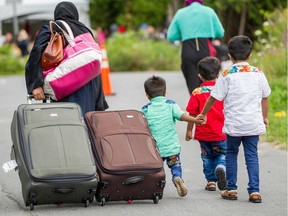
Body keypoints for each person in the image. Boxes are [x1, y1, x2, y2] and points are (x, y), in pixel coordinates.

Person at [198, 35, 271, 203]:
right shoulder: (258, 73)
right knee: (252, 156)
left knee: (231, 154)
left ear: (229, 56)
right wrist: (264, 117)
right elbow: (265, 97)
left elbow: (213, 97)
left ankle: (231, 189)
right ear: (250, 55)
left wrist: (204, 113)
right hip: (253, 123)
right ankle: (255, 191)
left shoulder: (226, 74)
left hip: (234, 125)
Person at [25, 1, 108, 115]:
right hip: (90, 88)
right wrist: (100, 101)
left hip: (67, 86)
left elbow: (36, 54)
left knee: (66, 124)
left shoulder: (52, 27)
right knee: (87, 125)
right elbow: (93, 62)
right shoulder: (86, 31)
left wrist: (35, 84)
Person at [141, 75, 203, 197]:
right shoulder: (170, 104)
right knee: (175, 164)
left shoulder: (145, 109)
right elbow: (182, 116)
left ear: (147, 95)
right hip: (171, 147)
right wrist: (195, 120)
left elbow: (139, 126)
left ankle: (157, 187)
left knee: (157, 169)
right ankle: (177, 177)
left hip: (154, 149)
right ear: (165, 92)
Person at [185, 57, 227, 192]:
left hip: (203, 133)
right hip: (221, 132)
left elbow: (191, 114)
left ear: (200, 76)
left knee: (207, 157)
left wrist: (189, 131)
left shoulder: (197, 92)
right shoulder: (223, 91)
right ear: (218, 74)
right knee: (222, 154)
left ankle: (210, 182)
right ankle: (221, 166)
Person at [167, 0, 224, 94]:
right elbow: (220, 32)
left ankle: (195, 106)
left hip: (187, 48)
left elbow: (171, 35)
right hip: (206, 48)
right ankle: (208, 106)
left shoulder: (180, 13)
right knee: (208, 81)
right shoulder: (209, 11)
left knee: (192, 83)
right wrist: (209, 33)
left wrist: (185, 34)